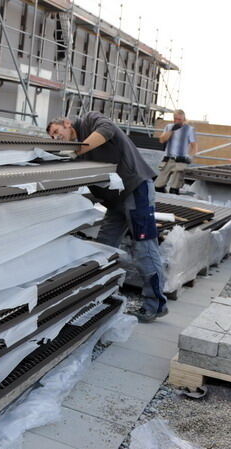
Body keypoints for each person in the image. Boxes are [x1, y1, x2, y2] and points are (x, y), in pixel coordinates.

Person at [47, 111, 168, 323]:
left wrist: (76, 152)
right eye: (52, 136)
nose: (57, 138)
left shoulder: (90, 121)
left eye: (57, 132)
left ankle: (156, 304)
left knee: (145, 248)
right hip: (114, 202)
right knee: (104, 246)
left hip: (135, 189)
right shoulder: (75, 149)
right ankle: (100, 296)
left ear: (67, 123)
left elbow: (108, 130)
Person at [155, 109, 197, 194]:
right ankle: (164, 199)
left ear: (184, 119)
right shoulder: (169, 127)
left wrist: (190, 157)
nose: (177, 121)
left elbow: (194, 146)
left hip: (181, 160)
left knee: (174, 187)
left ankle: (173, 200)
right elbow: (162, 140)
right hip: (168, 159)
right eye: (175, 119)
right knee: (158, 186)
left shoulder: (189, 129)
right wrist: (171, 131)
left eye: (179, 119)